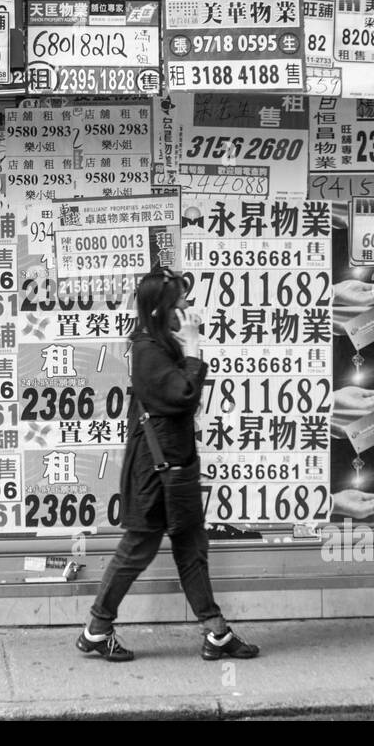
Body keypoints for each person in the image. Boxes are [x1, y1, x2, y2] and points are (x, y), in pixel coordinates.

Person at [76, 266, 259, 664]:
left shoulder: (159, 344)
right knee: (139, 548)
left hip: (174, 467)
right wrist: (193, 348)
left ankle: (216, 632)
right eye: (181, 303)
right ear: (161, 310)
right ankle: (97, 627)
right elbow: (182, 396)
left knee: (190, 547)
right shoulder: (147, 350)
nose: (188, 308)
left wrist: (187, 346)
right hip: (156, 472)